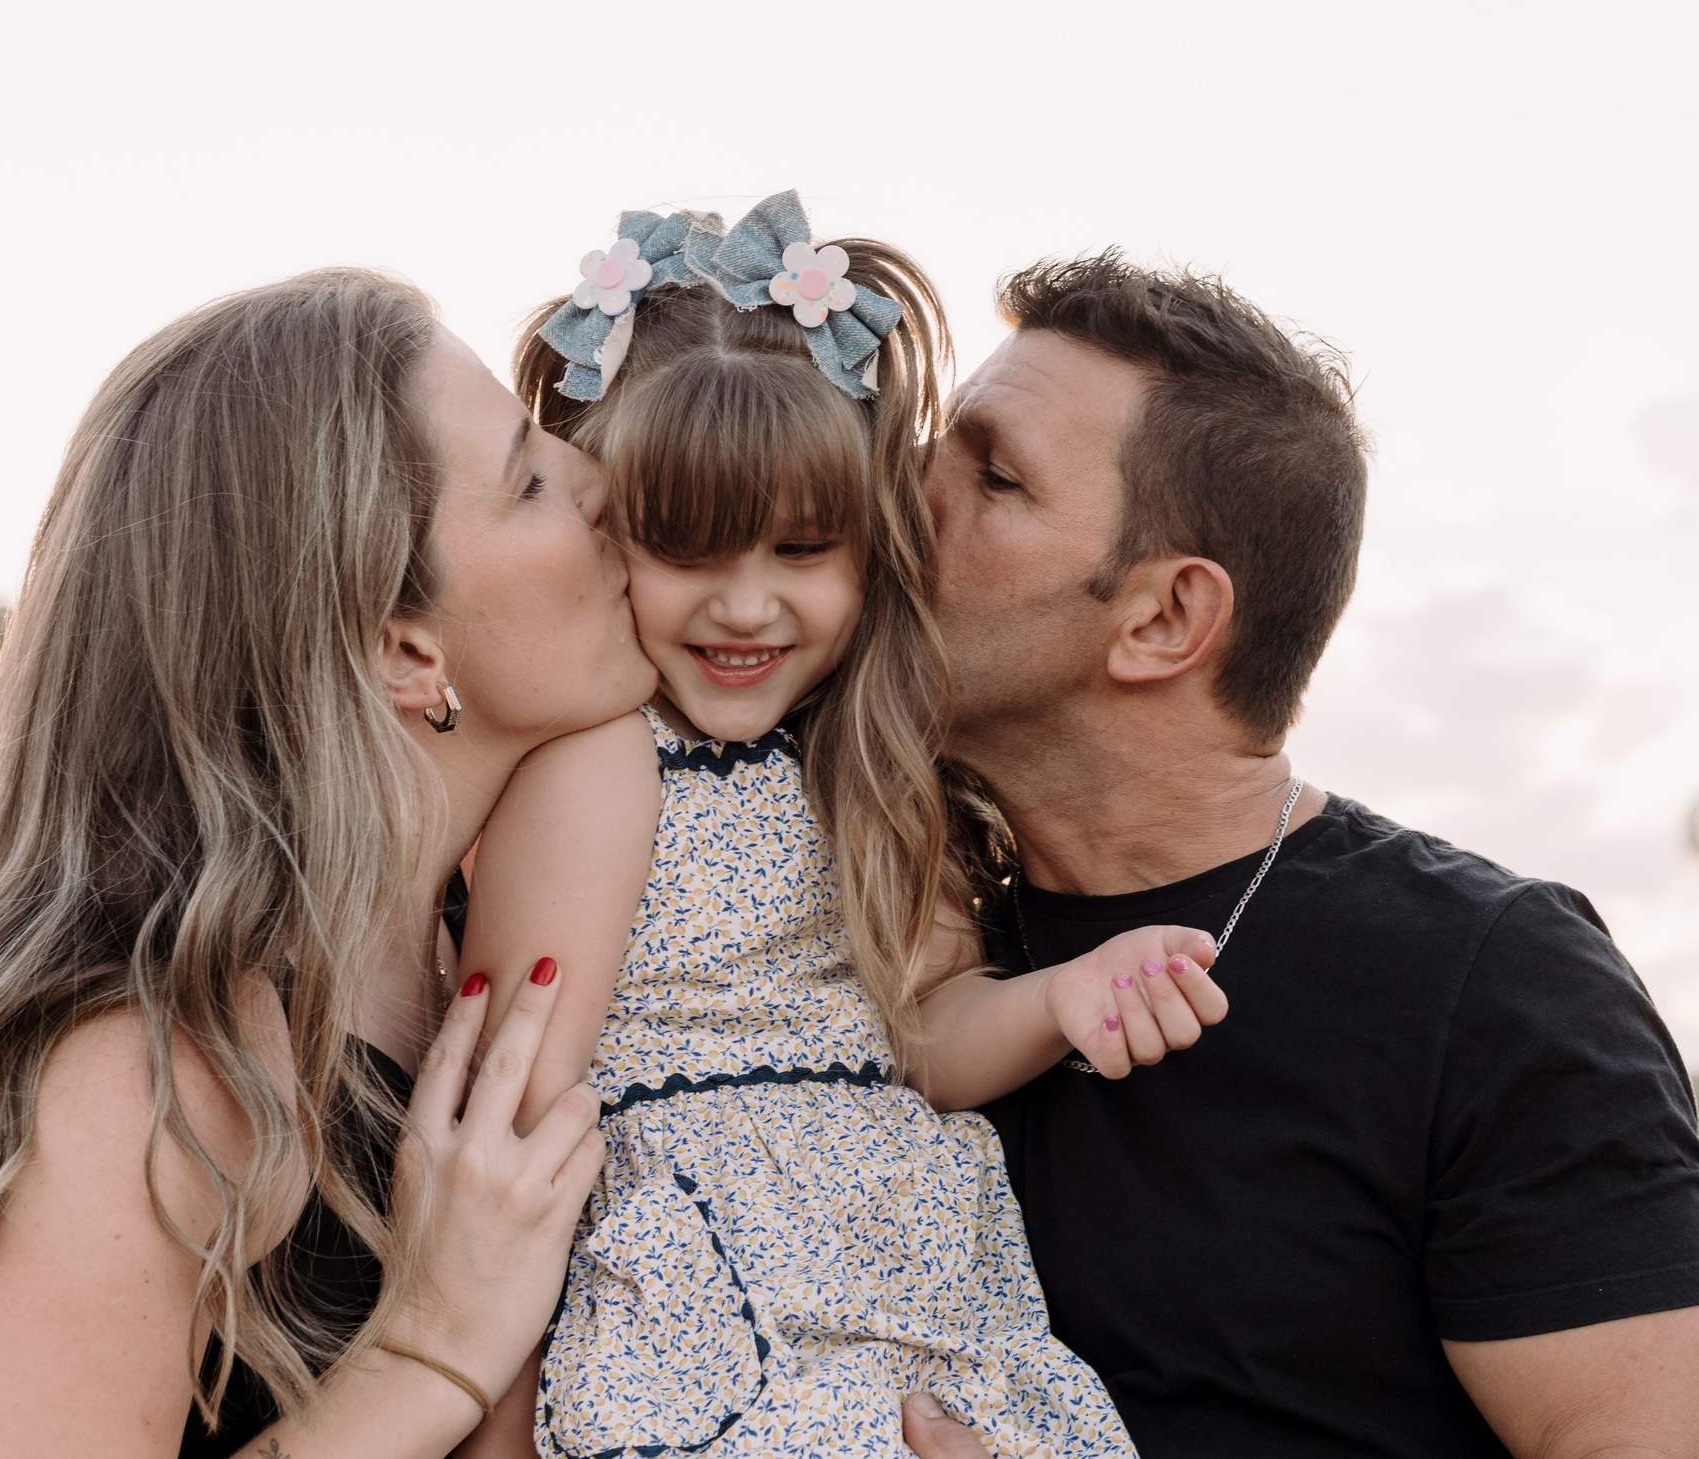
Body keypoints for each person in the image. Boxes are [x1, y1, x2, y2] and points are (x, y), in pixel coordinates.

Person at [0, 271, 655, 1459]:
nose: (601, 480)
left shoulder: (514, 923)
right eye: (530, 479)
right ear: (401, 646)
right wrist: (439, 1343)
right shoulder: (154, 1066)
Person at [911, 253, 1699, 1458]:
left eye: (993, 476)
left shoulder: (1489, 987)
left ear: (1164, 619)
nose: (902, 492)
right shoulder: (843, 925)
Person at [454, 195, 1216, 1459]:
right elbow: (514, 1102)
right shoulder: (598, 761)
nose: (746, 605)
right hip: (695, 1294)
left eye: (803, 548)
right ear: (598, 531)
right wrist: (491, 1426)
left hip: (913, 1294)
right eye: (684, 550)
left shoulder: (860, 764)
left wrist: (1066, 995)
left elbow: (927, 1035)